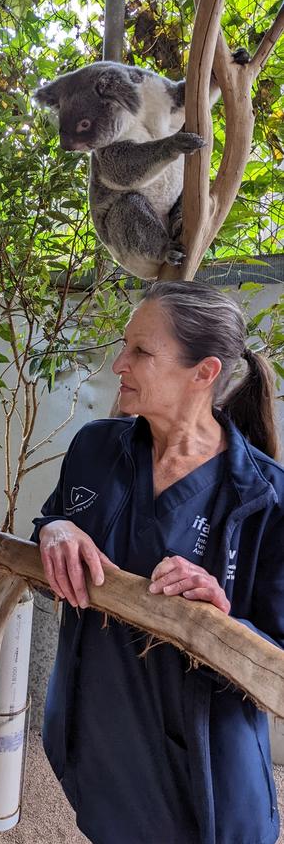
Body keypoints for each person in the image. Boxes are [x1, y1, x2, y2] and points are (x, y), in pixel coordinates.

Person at [34, 280, 283, 844]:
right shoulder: (96, 450)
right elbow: (51, 525)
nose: (118, 363)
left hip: (205, 778)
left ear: (205, 372)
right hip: (101, 748)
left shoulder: (266, 499)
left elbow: (278, 658)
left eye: (141, 352)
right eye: (124, 346)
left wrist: (218, 619)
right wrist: (55, 528)